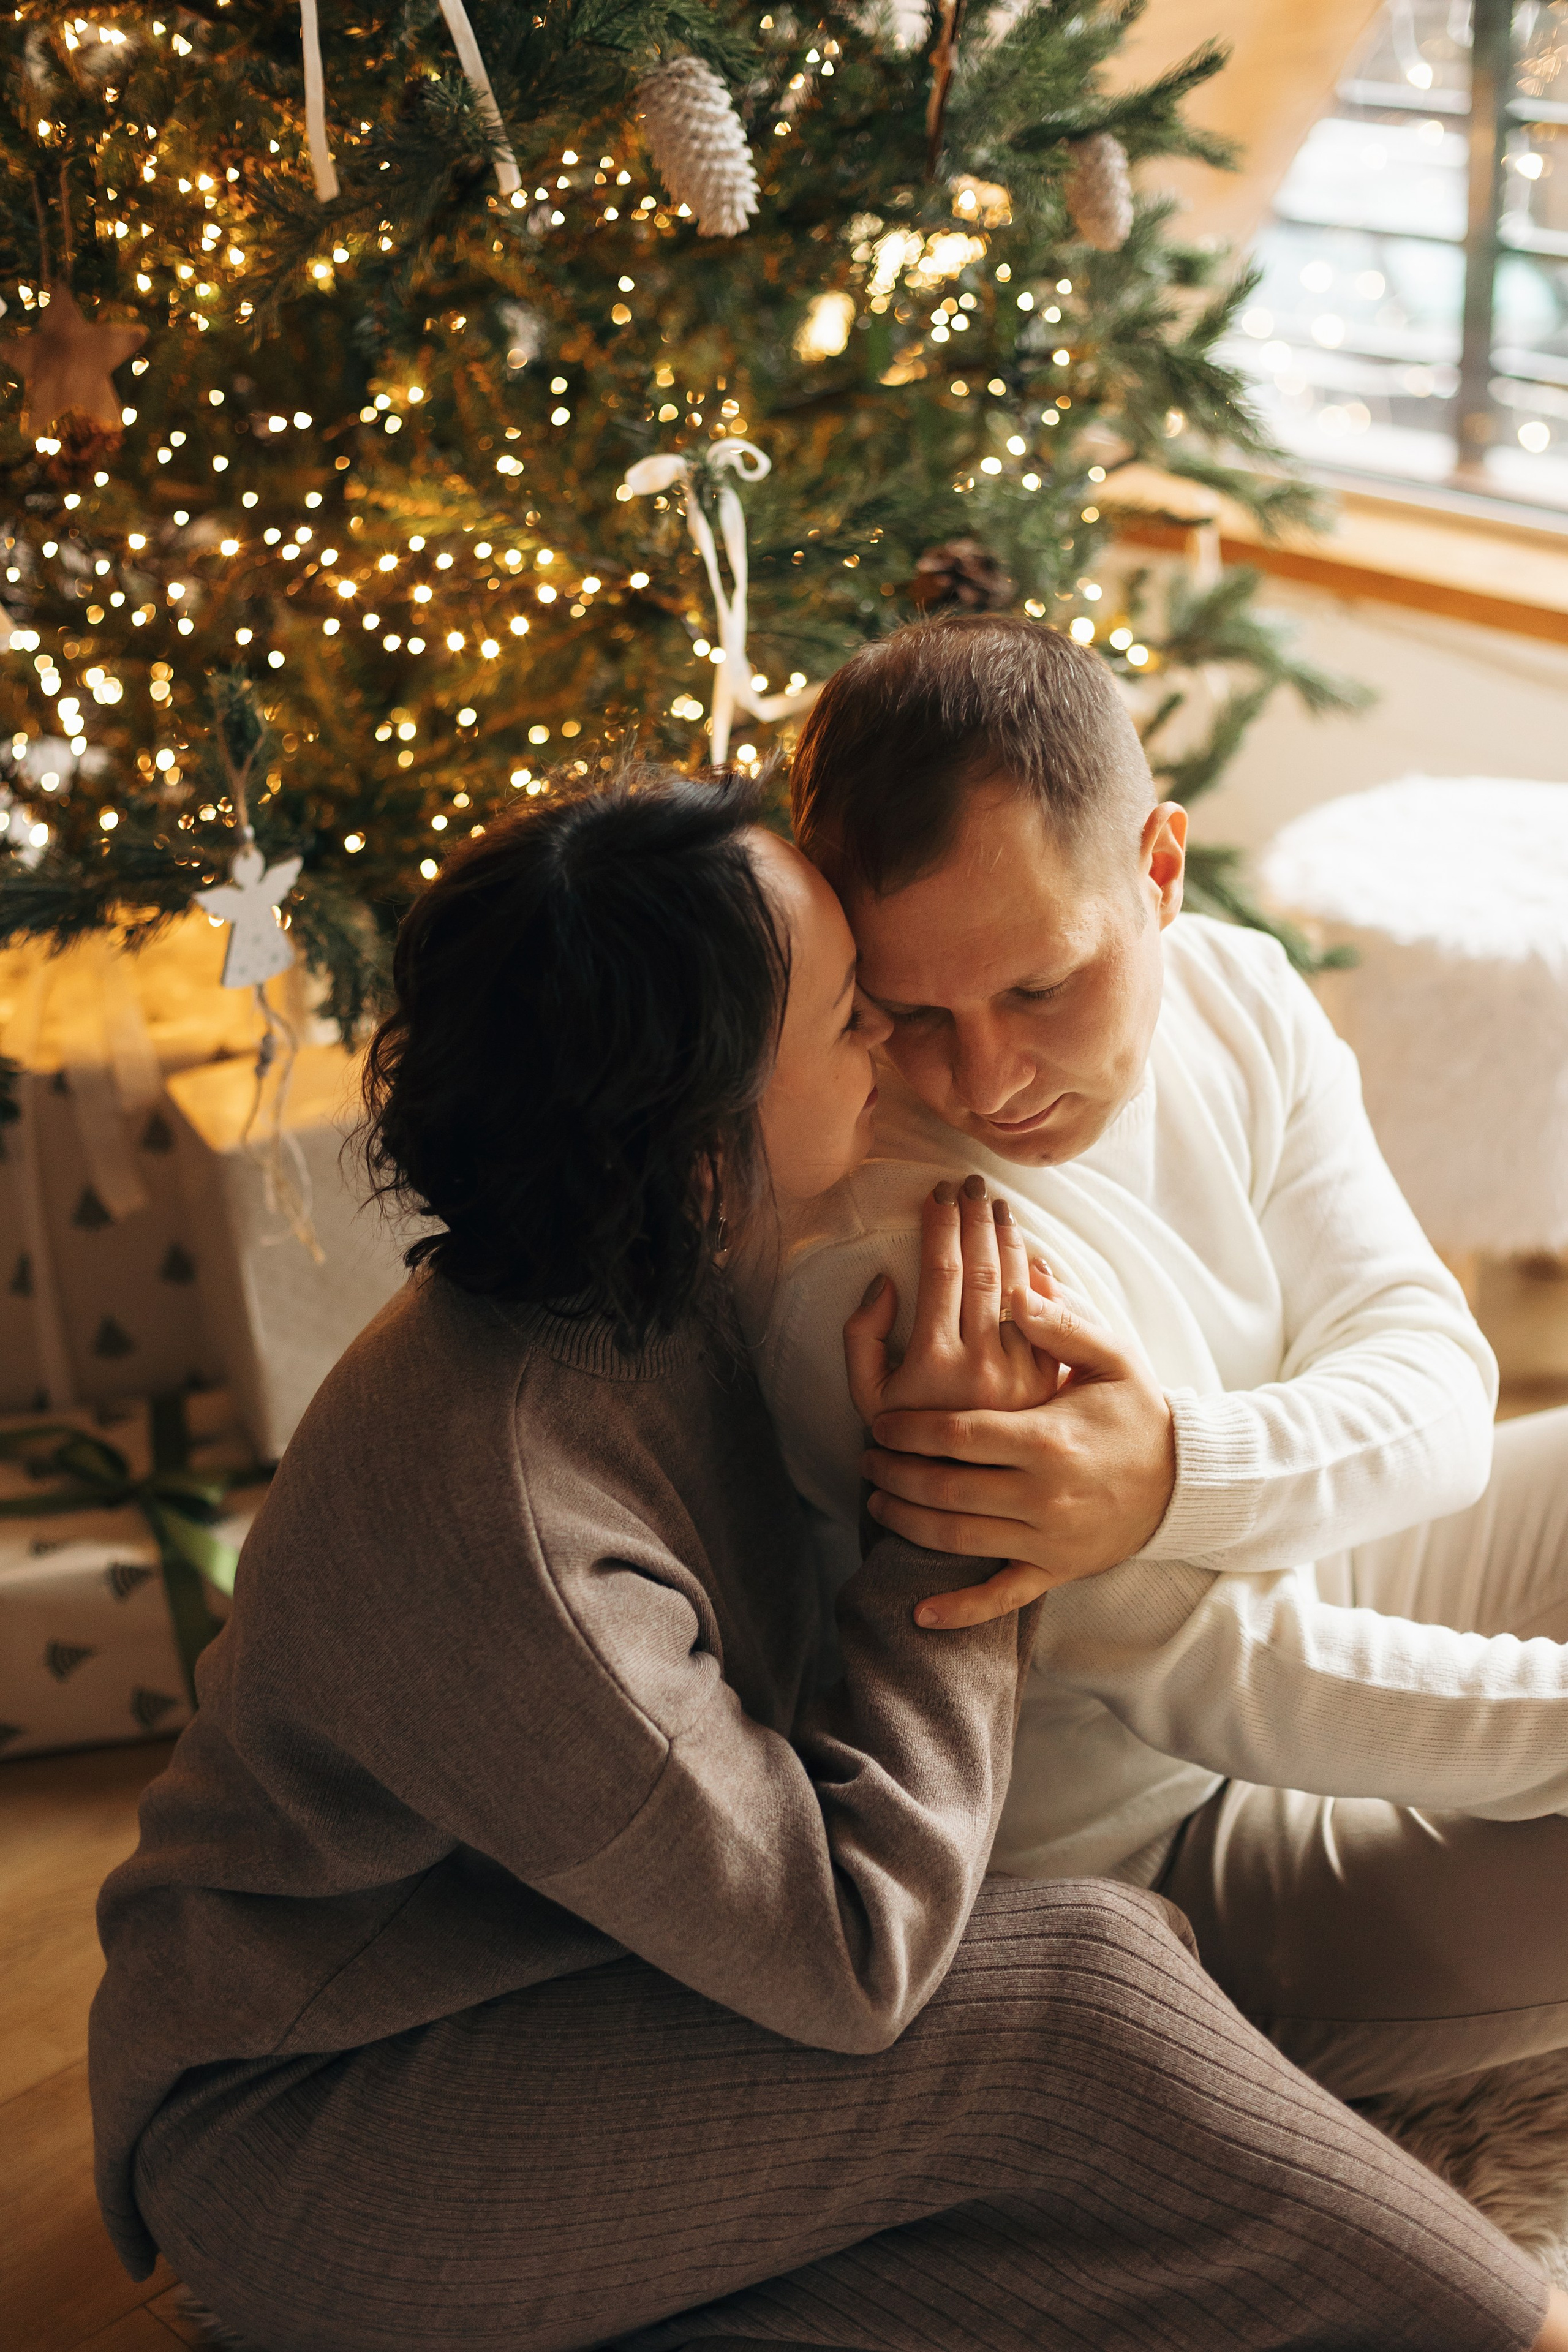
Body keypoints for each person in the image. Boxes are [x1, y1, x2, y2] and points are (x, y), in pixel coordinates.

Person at [88, 773, 1560, 2352]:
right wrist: (940, 1516)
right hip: (335, 2124)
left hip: (609, 1967)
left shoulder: (672, 1254)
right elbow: (857, 1955)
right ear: (708, 1136)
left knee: (1056, 2149)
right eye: (858, 1015)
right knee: (1079, 1986)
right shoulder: (519, 1516)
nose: (907, 1058)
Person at [761, 609, 1568, 2113]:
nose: (981, 1078)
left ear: (1158, 869)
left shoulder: (1239, 989)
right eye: (908, 1015)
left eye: (1036, 988)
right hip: (1152, 1867)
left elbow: (1433, 1378)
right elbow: (1231, 1685)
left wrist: (1171, 1475)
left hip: (1302, 1589)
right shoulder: (906, 1264)